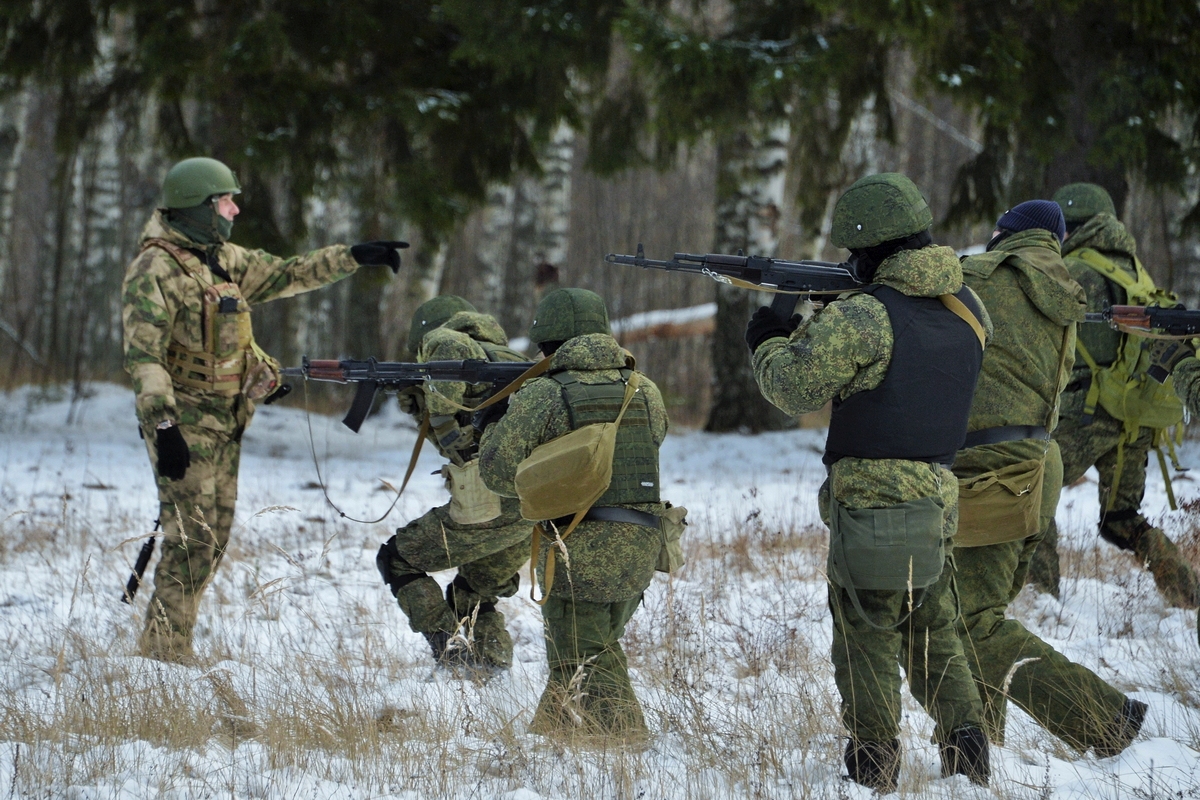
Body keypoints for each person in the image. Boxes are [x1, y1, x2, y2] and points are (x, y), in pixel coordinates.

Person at [748, 173, 991, 791]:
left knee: (866, 636)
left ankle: (874, 766)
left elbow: (792, 388)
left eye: (853, 254)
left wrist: (769, 340)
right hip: (938, 495)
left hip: (870, 507)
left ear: (869, 250)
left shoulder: (865, 317)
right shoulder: (969, 307)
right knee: (935, 628)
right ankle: (969, 758)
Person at [122, 156, 406, 663]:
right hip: (182, 422)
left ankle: (167, 641)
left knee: (214, 538)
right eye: (225, 201)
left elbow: (287, 273)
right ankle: (164, 653)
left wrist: (353, 257)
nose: (233, 209)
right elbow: (144, 359)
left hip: (227, 420)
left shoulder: (223, 259)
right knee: (190, 538)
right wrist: (164, 427)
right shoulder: (154, 269)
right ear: (198, 207)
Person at [952, 200, 1147, 757]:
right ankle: (975, 750)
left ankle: (1104, 718)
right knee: (975, 613)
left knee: (973, 622)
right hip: (1039, 466)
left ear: (1002, 234)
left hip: (989, 469)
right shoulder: (1066, 291)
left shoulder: (979, 278)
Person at [478, 288, 672, 741]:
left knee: (585, 652)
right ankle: (551, 733)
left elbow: (498, 473)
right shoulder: (645, 389)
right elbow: (650, 443)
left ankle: (622, 739)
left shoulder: (543, 394)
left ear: (547, 341)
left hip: (578, 547)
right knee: (582, 649)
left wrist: (490, 424)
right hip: (643, 544)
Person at [1027, 183, 1199, 609]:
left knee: (1031, 485)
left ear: (1074, 225)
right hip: (1136, 422)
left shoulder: (1073, 272)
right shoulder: (1137, 272)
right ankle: (1186, 596)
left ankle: (1040, 598)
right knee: (1120, 520)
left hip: (1088, 415)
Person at [375, 295, 534, 671]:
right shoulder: (507, 361)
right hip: (539, 502)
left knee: (397, 560)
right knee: (475, 591)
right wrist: (418, 400)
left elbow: (459, 438)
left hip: (497, 501)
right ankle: (494, 671)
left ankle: (455, 662)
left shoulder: (446, 346)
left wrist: (436, 413)